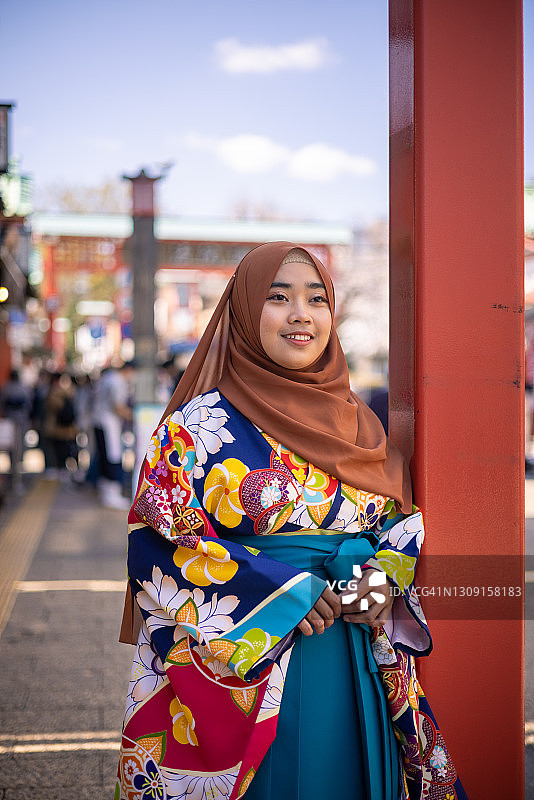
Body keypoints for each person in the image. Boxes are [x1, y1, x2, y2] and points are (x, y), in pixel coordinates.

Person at [116, 243, 467, 800]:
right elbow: (161, 544)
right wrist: (283, 591)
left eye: (317, 299)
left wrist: (373, 582)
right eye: (278, 298)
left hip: (355, 649)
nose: (301, 313)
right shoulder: (198, 425)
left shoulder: (363, 425)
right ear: (244, 313)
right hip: (254, 664)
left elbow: (399, 527)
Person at [92, 362, 135, 510]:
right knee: (112, 457)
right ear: (129, 370)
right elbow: (118, 408)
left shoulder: (108, 377)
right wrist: (136, 416)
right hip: (108, 424)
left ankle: (106, 492)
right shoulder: (117, 382)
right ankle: (112, 494)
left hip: (100, 422)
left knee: (104, 456)